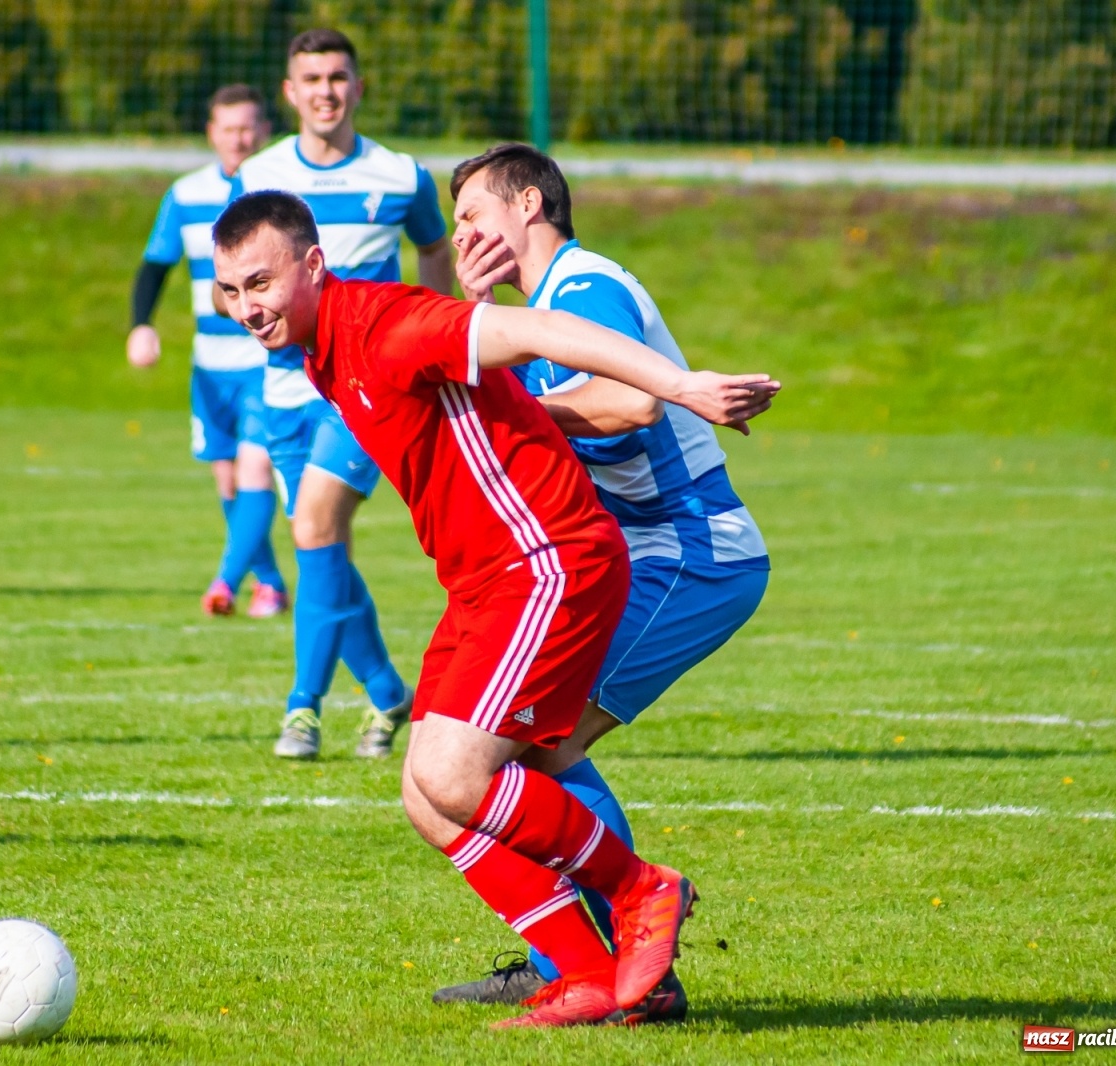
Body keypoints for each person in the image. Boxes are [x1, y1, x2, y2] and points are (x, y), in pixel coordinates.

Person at [210, 189, 778, 1027]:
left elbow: (536, 333)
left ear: (314, 266)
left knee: (457, 772)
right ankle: (588, 974)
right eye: (230, 292)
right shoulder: (324, 351)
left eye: (260, 282)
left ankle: (641, 891)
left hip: (548, 563)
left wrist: (680, 383)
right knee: (426, 796)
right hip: (483, 585)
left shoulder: (381, 326)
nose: (248, 307)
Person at [432, 144, 772, 1010]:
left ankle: (621, 960)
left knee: (540, 746)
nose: (462, 233)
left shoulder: (583, 288)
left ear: (531, 205)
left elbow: (632, 403)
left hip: (691, 552)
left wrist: (515, 408)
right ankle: (584, 961)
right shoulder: (536, 313)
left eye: (474, 214)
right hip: (639, 555)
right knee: (525, 747)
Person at [226, 28, 452, 759]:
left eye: (338, 77)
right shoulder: (258, 173)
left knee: (316, 522)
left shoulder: (398, 174)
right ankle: (388, 693)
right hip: (284, 394)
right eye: (311, 78)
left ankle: (302, 709)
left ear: (359, 86)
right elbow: (240, 273)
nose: (326, 90)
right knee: (318, 545)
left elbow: (433, 248)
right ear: (290, 93)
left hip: (364, 387)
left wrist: (434, 343)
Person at [128, 84, 289, 619]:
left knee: (255, 470)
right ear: (211, 133)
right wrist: (141, 326)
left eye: (248, 127)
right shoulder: (186, 193)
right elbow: (155, 264)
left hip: (264, 360)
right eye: (228, 128)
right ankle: (268, 582)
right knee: (227, 479)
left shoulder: (281, 190)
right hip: (210, 364)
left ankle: (224, 581)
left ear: (264, 130)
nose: (239, 138)